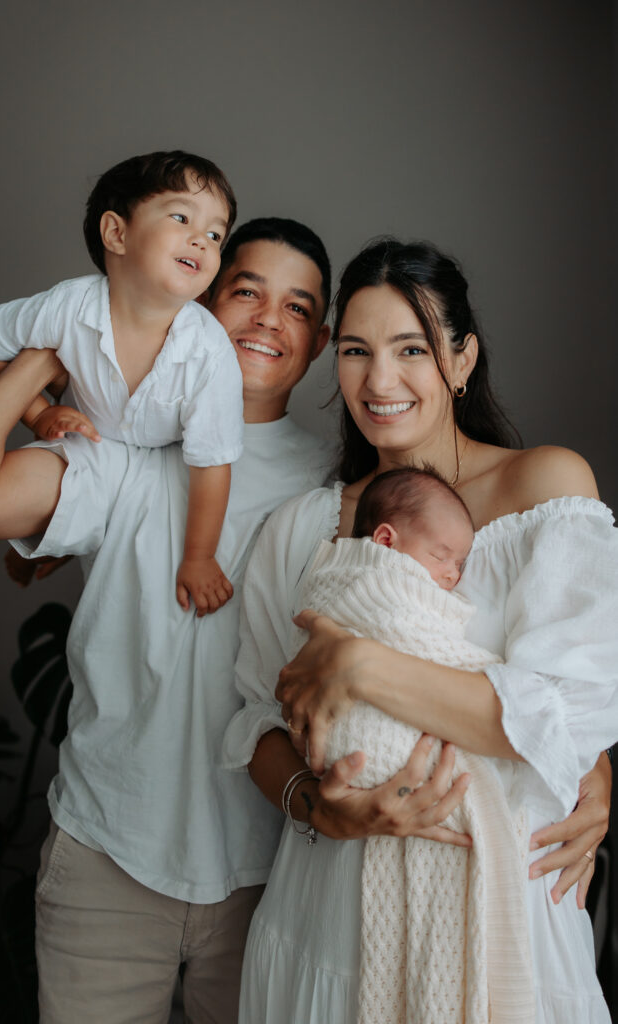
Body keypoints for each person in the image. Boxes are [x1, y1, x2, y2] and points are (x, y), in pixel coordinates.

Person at [0, 217, 335, 1022]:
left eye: (297, 307)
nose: (267, 320)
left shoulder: (340, 484)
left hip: (275, 870)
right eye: (245, 292)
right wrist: (51, 354)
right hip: (106, 855)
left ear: (319, 341)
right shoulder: (123, 450)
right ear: (200, 304)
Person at [222, 237, 618, 1023]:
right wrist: (315, 806)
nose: (379, 381)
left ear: (462, 359)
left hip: (501, 906)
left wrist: (358, 666)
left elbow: (559, 717)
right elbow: (257, 721)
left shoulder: (546, 487)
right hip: (329, 908)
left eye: (411, 349)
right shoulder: (300, 527)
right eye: (355, 351)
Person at [300, 467, 531, 1022]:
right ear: (385, 542)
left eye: (460, 564)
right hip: (361, 745)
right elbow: (424, 646)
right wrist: (496, 675)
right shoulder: (376, 583)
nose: (452, 575)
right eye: (442, 556)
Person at [0, 150, 244, 616]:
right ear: (117, 234)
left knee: (141, 538)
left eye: (216, 234)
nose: (201, 240)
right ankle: (41, 545)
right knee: (38, 496)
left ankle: (52, 549)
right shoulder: (68, 305)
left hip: (163, 455)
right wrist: (39, 414)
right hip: (89, 439)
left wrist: (199, 558)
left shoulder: (209, 349)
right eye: (182, 218)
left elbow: (212, 465)